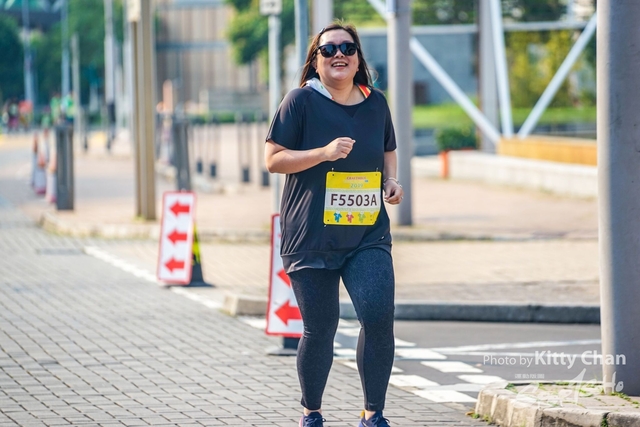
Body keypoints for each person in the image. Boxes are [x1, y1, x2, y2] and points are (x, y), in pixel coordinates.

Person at [265, 21, 403, 427]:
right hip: (311, 235)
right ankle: (312, 411)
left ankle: (373, 414)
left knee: (377, 318)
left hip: (367, 233)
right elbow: (273, 159)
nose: (338, 54)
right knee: (321, 328)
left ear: (358, 59)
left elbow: (388, 149)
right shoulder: (300, 102)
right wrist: (323, 153)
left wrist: (391, 181)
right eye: (328, 50)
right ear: (316, 61)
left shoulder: (375, 102)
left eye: (347, 48)